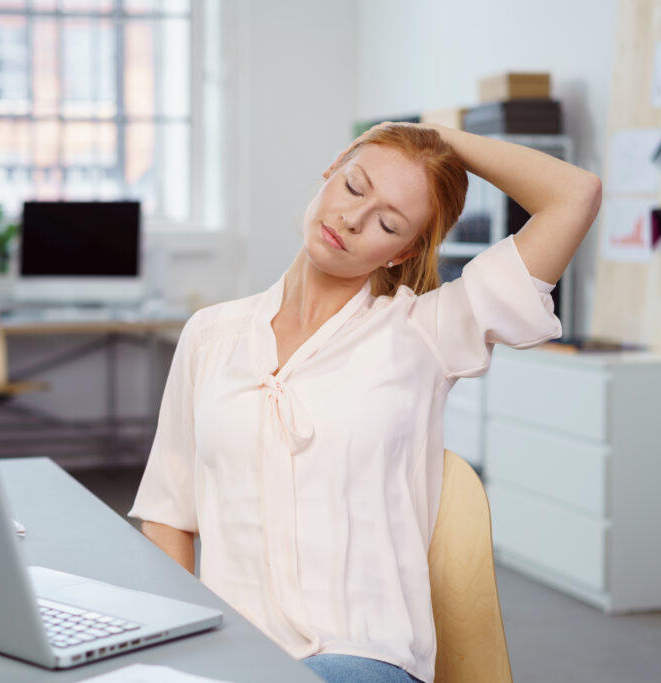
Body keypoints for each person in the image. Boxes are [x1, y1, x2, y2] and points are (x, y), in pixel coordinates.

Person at [128, 122, 602, 683]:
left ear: (400, 253)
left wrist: (438, 137)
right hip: (234, 658)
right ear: (332, 171)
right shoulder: (211, 335)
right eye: (355, 187)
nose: (353, 219)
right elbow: (167, 516)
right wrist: (182, 649)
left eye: (387, 222)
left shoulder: (427, 332)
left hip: (361, 656)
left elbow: (576, 195)